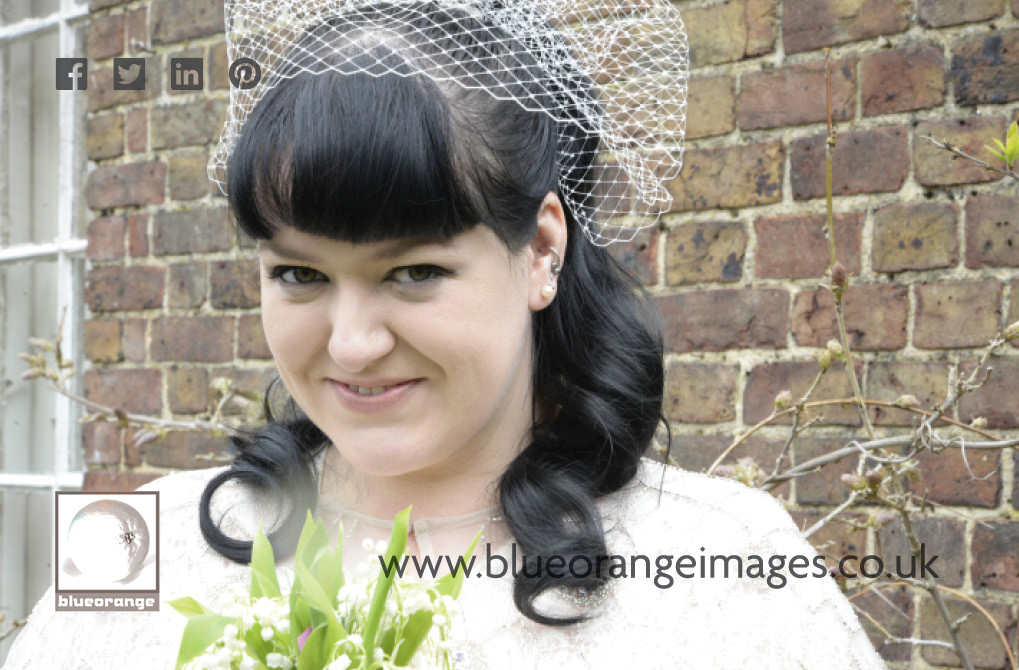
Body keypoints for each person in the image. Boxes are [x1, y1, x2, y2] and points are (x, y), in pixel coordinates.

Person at [3, 2, 888, 668]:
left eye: (413, 272)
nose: (349, 345)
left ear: (540, 250)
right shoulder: (130, 540)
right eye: (299, 275)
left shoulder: (729, 568)